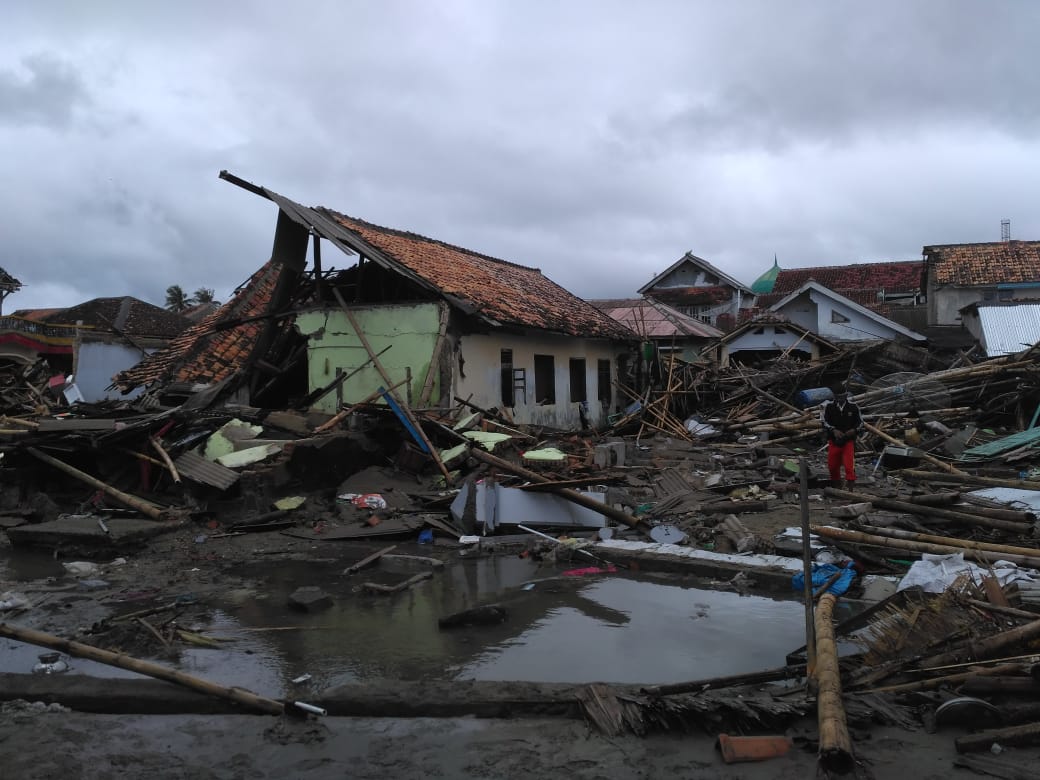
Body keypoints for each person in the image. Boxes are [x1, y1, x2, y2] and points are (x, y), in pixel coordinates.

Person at [821, 385, 863, 489]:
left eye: (843, 396)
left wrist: (854, 430)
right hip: (834, 440)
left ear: (846, 395)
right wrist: (833, 430)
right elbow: (824, 422)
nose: (841, 399)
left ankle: (850, 490)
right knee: (832, 466)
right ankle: (837, 487)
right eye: (838, 397)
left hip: (848, 441)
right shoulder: (829, 407)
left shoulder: (853, 407)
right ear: (834, 396)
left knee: (849, 466)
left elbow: (860, 422)